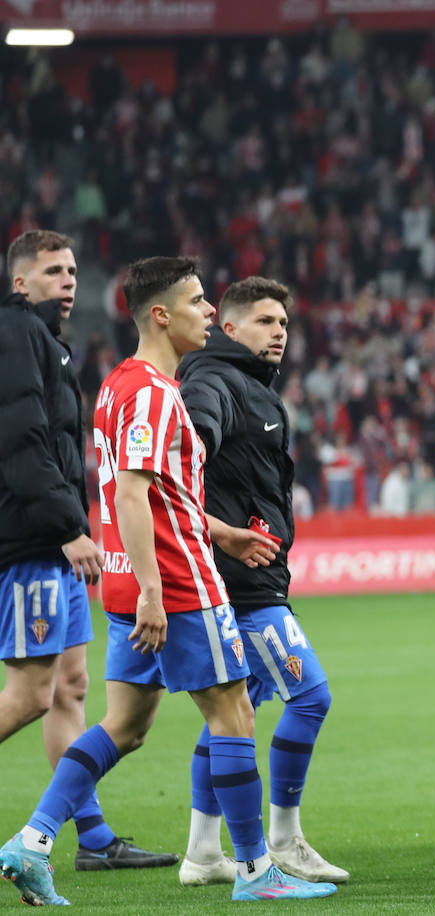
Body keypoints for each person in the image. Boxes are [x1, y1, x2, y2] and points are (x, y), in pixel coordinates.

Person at [0, 257, 336, 905]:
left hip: (130, 584)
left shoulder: (119, 384)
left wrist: (224, 532)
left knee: (123, 726)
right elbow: (130, 495)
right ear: (161, 314)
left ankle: (32, 841)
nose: (210, 312)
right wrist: (158, 589)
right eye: (199, 301)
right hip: (176, 586)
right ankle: (255, 871)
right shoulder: (156, 393)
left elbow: (159, 494)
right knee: (234, 716)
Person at [0, 231, 179, 873]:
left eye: (72, 269)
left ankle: (95, 840)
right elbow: (21, 442)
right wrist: (68, 527)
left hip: (52, 537)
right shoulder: (15, 333)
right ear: (21, 283)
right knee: (29, 694)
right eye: (53, 271)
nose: (68, 280)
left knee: (70, 687)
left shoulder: (47, 341)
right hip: (34, 542)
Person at [175, 276, 349, 886]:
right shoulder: (215, 381)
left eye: (283, 323)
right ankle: (284, 839)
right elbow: (188, 448)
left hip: (246, 577)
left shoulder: (246, 385)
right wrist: (223, 531)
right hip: (242, 584)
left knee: (232, 713)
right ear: (229, 327)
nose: (279, 332)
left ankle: (202, 852)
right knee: (311, 695)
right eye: (265, 322)